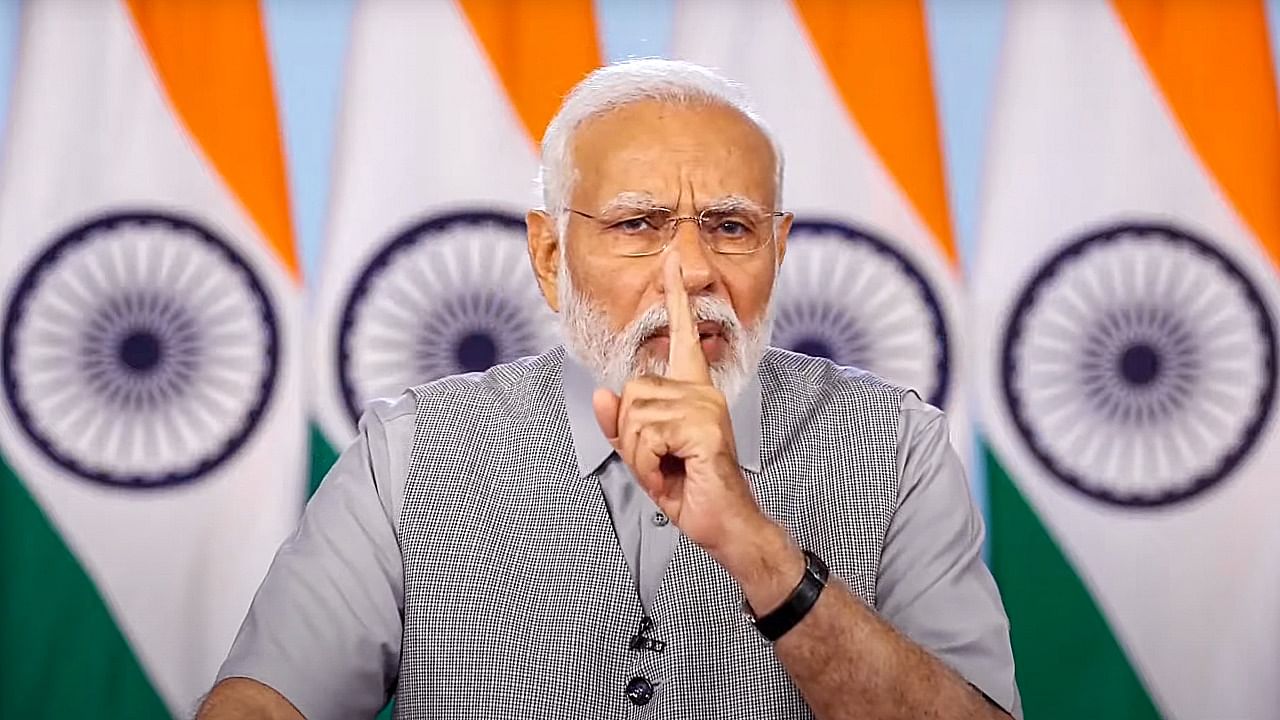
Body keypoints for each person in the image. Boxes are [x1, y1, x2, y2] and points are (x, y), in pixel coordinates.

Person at [198, 59, 1020, 720]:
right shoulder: (409, 453)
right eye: (639, 225)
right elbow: (269, 701)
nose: (693, 270)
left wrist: (756, 549)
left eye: (731, 228)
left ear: (780, 249)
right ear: (550, 256)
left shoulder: (897, 444)